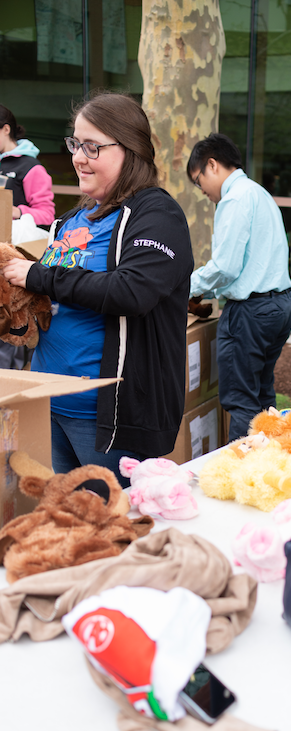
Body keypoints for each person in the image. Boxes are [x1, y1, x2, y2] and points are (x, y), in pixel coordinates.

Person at [1, 92, 194, 487]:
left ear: (132, 150)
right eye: (75, 143)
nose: (78, 157)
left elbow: (132, 292)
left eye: (93, 146)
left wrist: (39, 276)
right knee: (64, 526)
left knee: (108, 532)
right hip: (48, 403)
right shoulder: (74, 218)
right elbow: (51, 299)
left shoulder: (157, 215)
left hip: (108, 418)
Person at [187, 133, 291, 442]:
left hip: (252, 311)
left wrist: (185, 286)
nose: (203, 191)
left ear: (212, 165)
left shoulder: (234, 199)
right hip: (281, 305)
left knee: (242, 402)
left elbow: (225, 267)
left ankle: (238, 475)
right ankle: (270, 466)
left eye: (199, 181)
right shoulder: (258, 193)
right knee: (262, 395)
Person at [0, 104, 55, 226]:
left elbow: (47, 215)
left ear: (6, 130)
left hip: (15, 241)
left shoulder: (30, 167)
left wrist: (16, 212)